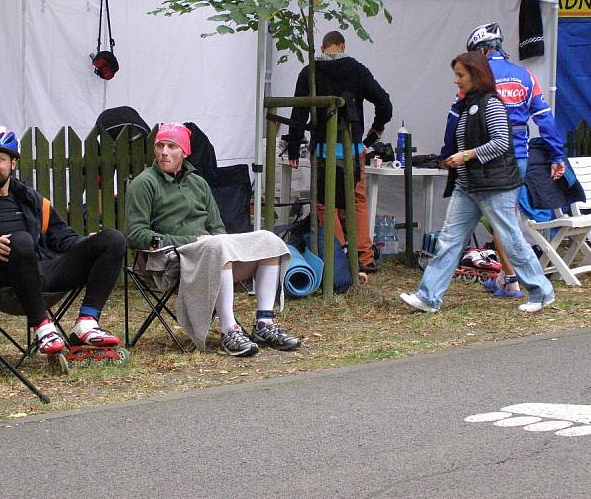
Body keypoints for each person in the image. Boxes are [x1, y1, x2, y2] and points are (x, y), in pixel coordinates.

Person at [125, 122, 301, 357]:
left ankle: (264, 324)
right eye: (160, 146)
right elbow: (135, 234)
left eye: (171, 146)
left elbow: (217, 229)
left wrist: (210, 242)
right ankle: (229, 330)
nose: (164, 152)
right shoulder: (144, 183)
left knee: (268, 241)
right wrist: (191, 240)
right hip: (168, 261)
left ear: (185, 152)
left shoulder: (198, 183)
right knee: (216, 246)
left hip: (210, 254)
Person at [0, 126, 126, 355]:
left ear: (13, 164)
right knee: (20, 241)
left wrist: (86, 243)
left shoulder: (31, 199)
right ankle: (43, 327)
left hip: (43, 272)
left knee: (112, 239)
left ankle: (87, 323)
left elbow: (62, 238)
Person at [401, 51, 555, 314]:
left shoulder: (491, 104)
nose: (456, 81)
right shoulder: (468, 105)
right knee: (450, 240)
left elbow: (501, 142)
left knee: (511, 238)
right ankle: (428, 297)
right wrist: (456, 159)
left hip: (495, 185)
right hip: (468, 184)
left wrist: (467, 155)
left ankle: (541, 292)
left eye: (460, 75)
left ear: (476, 75)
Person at [444, 22, 565, 298]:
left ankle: (514, 280)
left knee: (499, 220)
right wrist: (557, 154)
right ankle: (506, 277)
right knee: (505, 216)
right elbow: (545, 118)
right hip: (520, 155)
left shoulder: (477, 77)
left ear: (481, 51)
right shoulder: (525, 75)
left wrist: (447, 151)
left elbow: (455, 119)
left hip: (484, 156)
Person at [288, 30, 392, 274]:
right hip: (353, 150)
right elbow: (384, 102)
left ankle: (339, 257)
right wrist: (375, 131)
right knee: (356, 201)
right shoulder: (357, 70)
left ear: (323, 48)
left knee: (326, 205)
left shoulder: (310, 72)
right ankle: (365, 257)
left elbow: (298, 111)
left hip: (324, 152)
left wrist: (294, 145)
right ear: (342, 46)